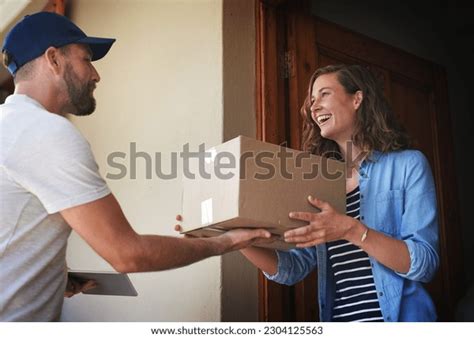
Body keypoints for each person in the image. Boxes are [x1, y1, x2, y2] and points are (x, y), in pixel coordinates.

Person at [0, 12, 270, 322]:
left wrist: (46, 277)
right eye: (86, 59)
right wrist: (224, 242)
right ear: (54, 59)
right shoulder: (46, 132)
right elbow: (129, 254)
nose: (95, 75)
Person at [237, 64, 440, 321]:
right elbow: (294, 268)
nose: (314, 107)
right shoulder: (316, 183)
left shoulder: (408, 165)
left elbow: (424, 263)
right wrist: (237, 240)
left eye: (324, 94)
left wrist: (350, 230)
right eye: (312, 100)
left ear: (357, 99)